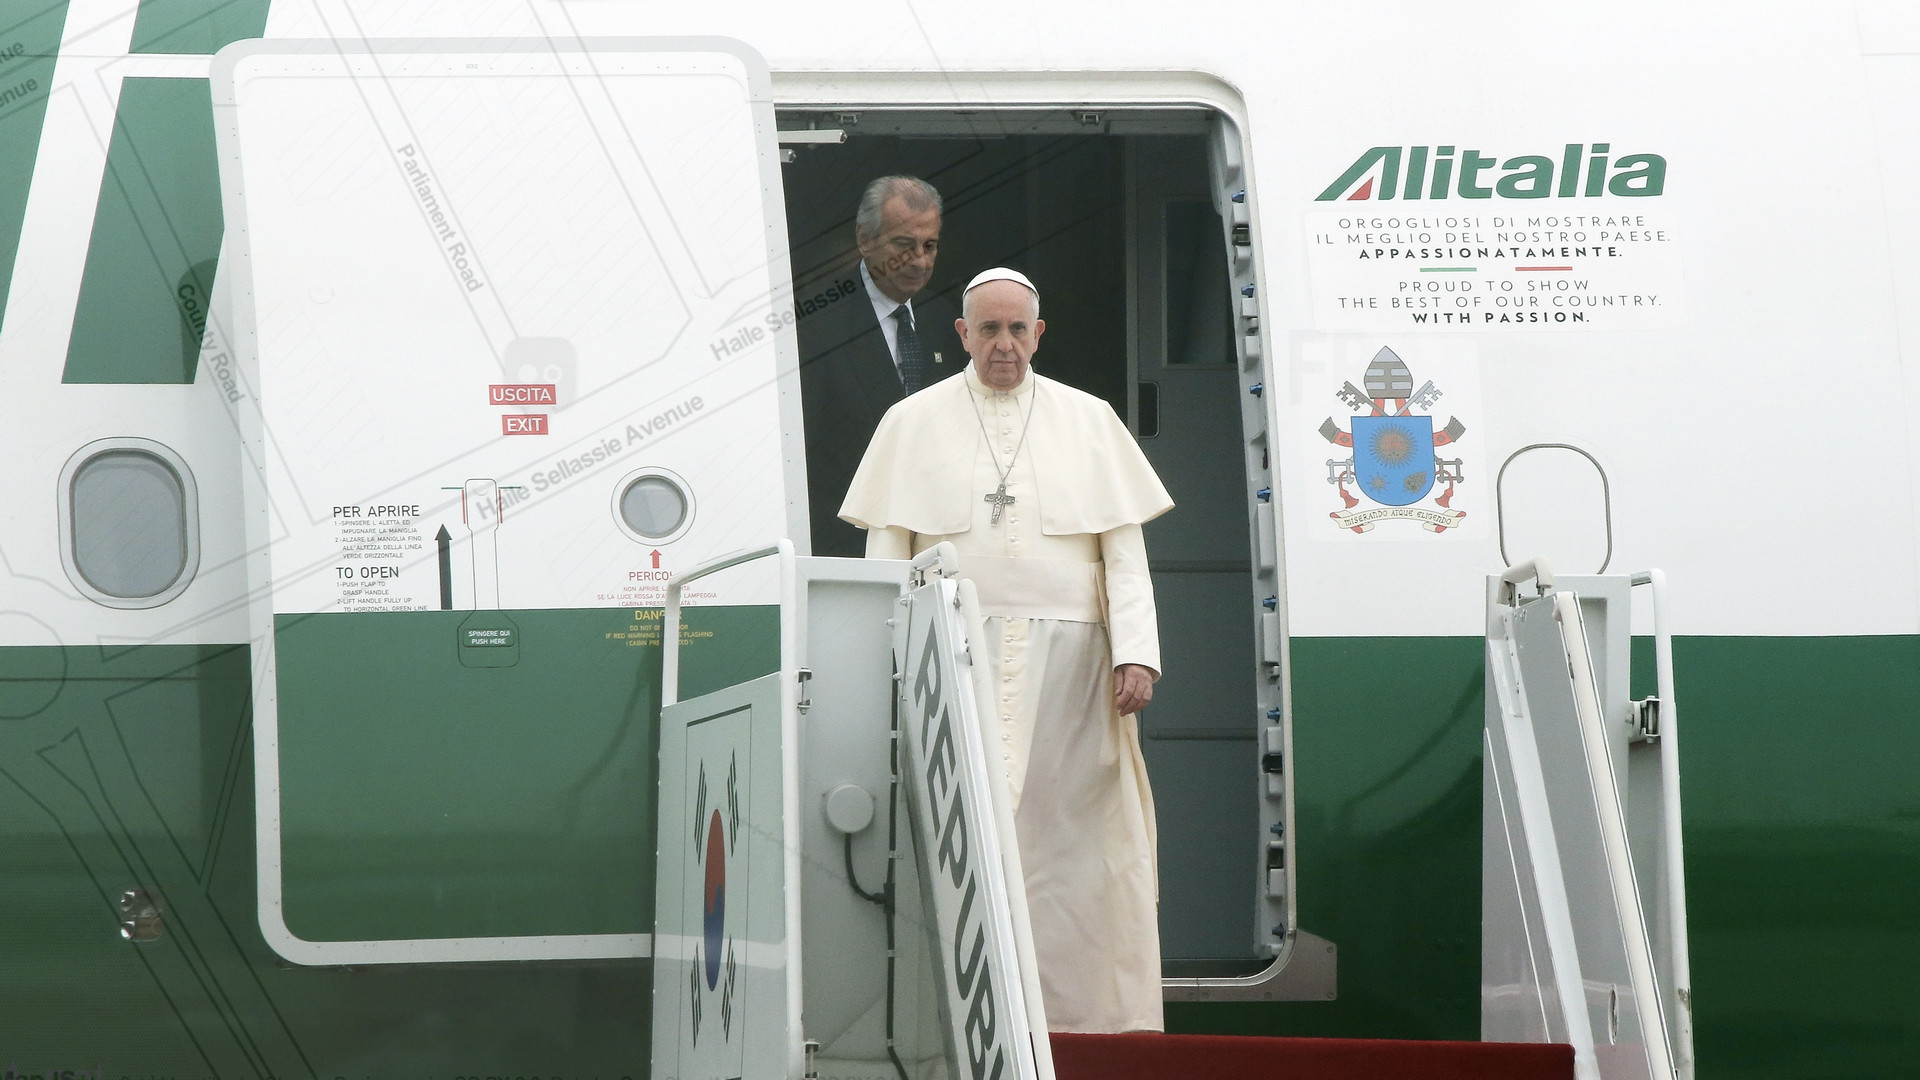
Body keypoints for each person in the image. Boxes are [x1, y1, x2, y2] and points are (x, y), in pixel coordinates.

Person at [840, 267, 1172, 1033]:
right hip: (953, 662)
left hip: (1076, 672)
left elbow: (1122, 553)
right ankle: (949, 1019)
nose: (1003, 345)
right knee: (956, 836)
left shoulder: (1088, 419)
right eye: (987, 329)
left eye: (1017, 329)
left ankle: (1089, 1024)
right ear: (961, 334)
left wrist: (1138, 653)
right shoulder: (911, 422)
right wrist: (882, 662)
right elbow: (888, 557)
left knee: (1078, 850)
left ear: (1038, 334)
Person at [798, 175, 963, 557]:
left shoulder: (946, 319)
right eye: (904, 245)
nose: (919, 261)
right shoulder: (816, 325)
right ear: (865, 239)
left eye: (930, 245)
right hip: (846, 546)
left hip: (935, 544)